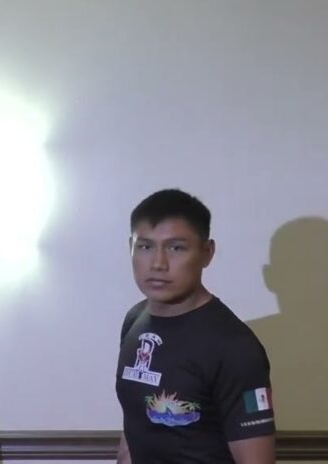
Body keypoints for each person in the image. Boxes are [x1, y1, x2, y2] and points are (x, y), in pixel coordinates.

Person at [115, 189, 276, 463]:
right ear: (130, 247)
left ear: (207, 253)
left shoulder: (234, 346)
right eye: (145, 247)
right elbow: (134, 428)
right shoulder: (135, 320)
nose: (158, 263)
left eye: (176, 248)